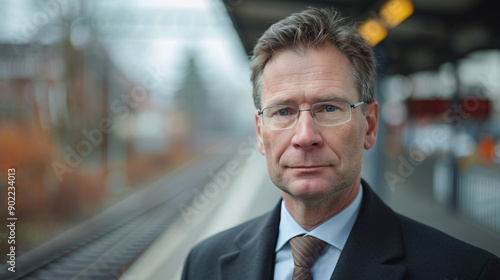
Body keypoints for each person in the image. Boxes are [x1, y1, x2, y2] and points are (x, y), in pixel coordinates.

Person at [181, 7, 500, 280]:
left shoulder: (467, 271)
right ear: (259, 132)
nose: (305, 137)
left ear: (370, 126)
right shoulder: (204, 264)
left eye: (329, 108)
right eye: (283, 111)